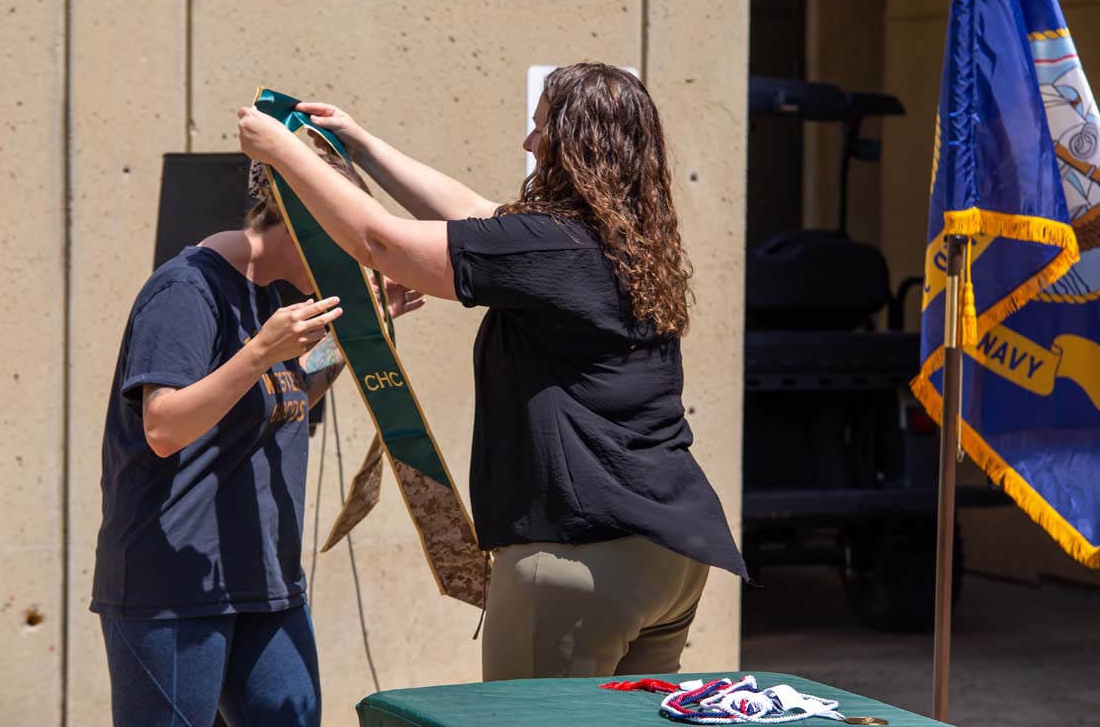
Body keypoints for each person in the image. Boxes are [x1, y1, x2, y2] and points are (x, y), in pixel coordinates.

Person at [236, 62, 747, 681]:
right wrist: (360, 144)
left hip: (578, 559)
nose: (528, 144)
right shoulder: (620, 243)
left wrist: (285, 155)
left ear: (575, 145)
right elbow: (478, 214)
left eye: (540, 130)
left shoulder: (552, 248)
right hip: (671, 555)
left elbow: (382, 244)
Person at [90, 159, 425, 726]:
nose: (362, 256)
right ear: (305, 222)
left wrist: (366, 330)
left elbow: (291, 399)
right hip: (174, 584)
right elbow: (163, 427)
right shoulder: (186, 287)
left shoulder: (278, 293)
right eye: (353, 236)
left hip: (266, 579)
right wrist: (257, 354)